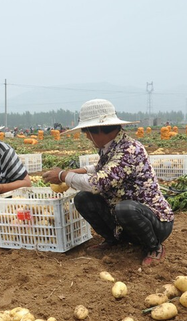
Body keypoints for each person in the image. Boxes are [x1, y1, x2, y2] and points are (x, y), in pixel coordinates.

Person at [42, 99, 174, 266]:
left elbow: (98, 183)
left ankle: (154, 247)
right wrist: (72, 173)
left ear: (98, 129)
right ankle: (113, 240)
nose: (88, 137)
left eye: (87, 132)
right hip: (124, 220)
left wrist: (63, 175)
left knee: (125, 208)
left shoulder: (129, 150)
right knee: (83, 198)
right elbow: (100, 168)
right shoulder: (111, 147)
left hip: (154, 222)